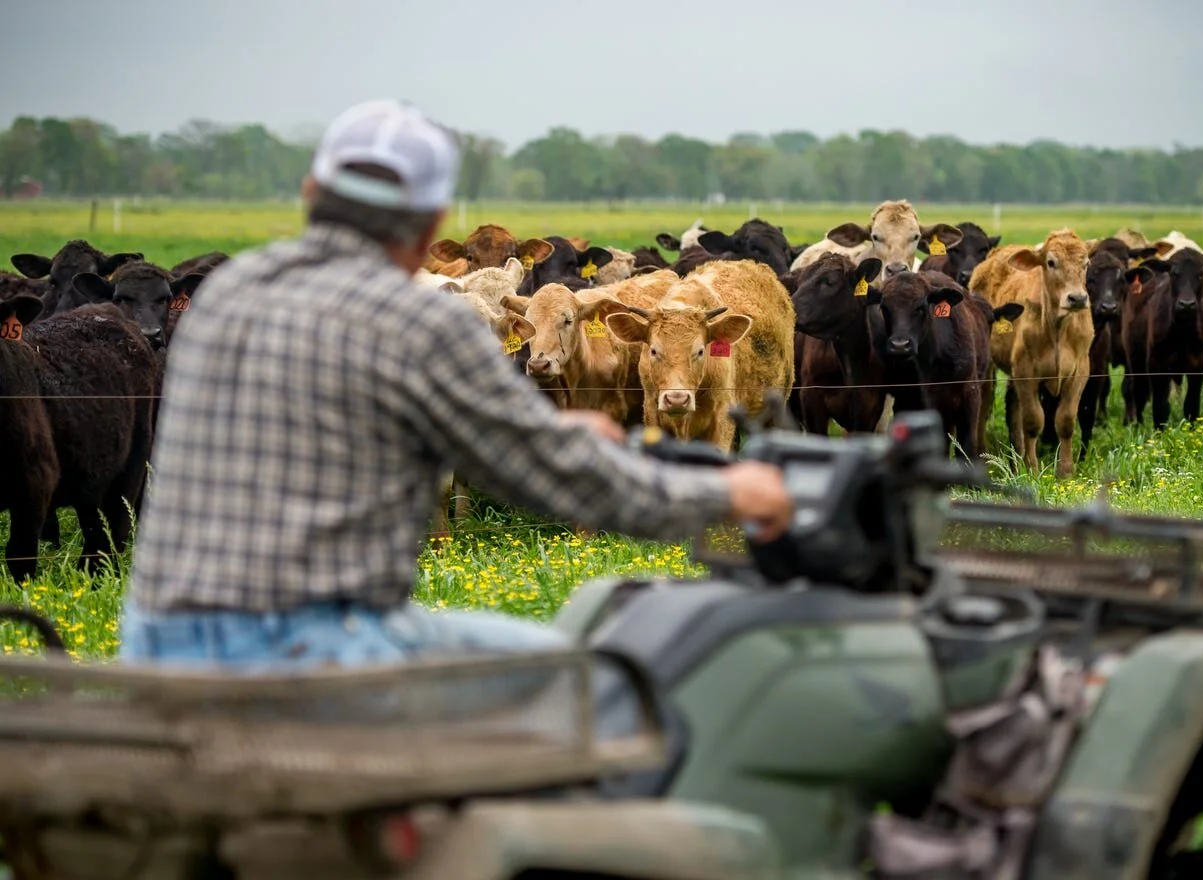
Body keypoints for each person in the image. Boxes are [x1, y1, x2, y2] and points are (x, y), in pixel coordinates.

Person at [119, 99, 793, 674]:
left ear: (310, 195)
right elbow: (554, 476)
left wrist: (540, 431)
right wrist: (729, 489)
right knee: (590, 676)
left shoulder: (226, 292)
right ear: (436, 224)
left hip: (155, 643)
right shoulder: (420, 321)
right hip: (316, 649)